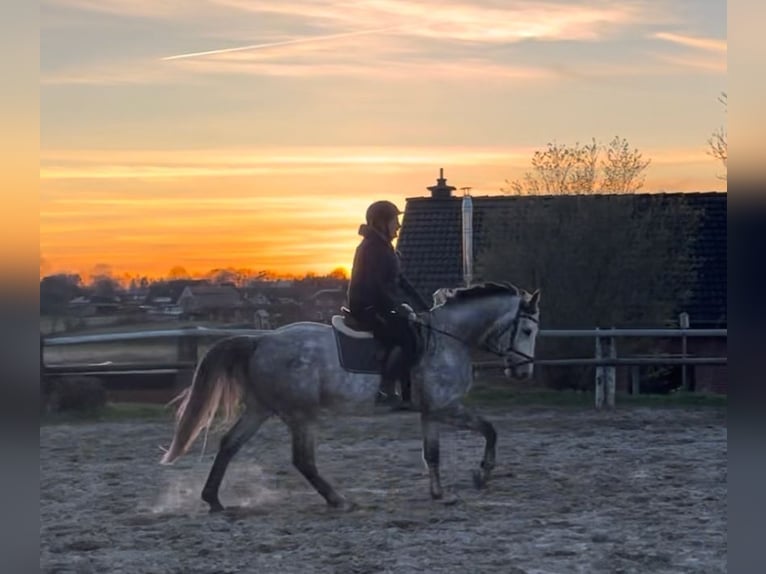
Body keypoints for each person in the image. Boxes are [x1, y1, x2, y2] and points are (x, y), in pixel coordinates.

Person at [347, 200, 429, 407]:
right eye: (395, 221)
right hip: (368, 307)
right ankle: (386, 387)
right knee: (408, 339)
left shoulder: (384, 247)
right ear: (382, 222)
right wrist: (397, 308)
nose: (399, 226)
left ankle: (406, 395)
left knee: (413, 332)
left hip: (381, 305)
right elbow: (377, 285)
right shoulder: (372, 248)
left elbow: (401, 281)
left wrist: (424, 306)